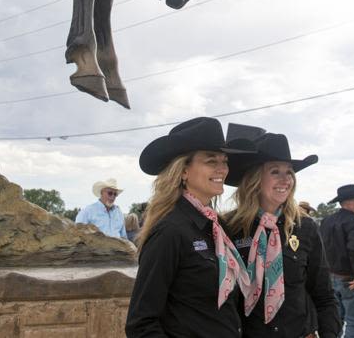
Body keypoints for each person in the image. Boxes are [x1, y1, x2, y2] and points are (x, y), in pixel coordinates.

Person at [125, 117, 257, 337]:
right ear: (183, 171)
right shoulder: (170, 231)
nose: (222, 169)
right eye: (211, 161)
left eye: (224, 161)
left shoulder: (217, 227)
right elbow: (141, 324)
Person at [222, 125, 340, 338]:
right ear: (255, 179)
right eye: (275, 171)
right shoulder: (230, 227)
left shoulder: (305, 227)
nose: (285, 179)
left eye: (289, 172)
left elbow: (324, 294)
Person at [322, 184, 354, 338]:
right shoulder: (353, 222)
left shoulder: (326, 221)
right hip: (349, 278)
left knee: (337, 319)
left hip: (330, 275)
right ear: (351, 203)